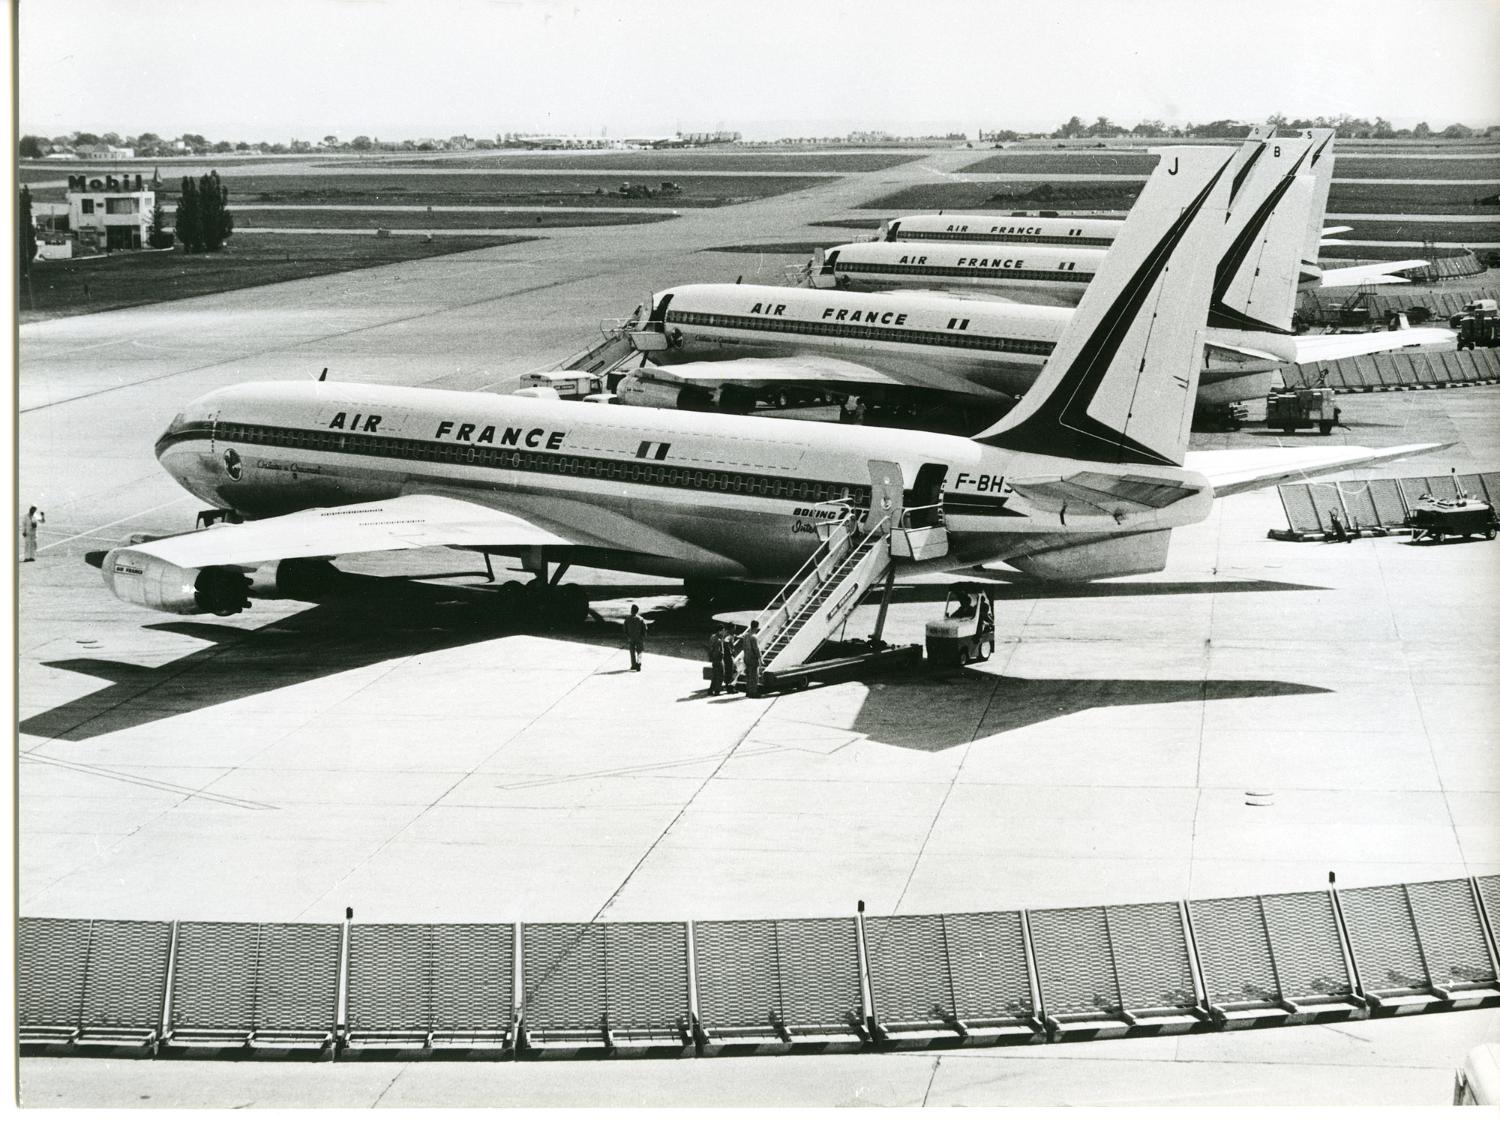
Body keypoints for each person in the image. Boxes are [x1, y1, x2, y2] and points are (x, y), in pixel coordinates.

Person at [622, 604, 648, 671]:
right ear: (637, 611)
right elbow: (645, 628)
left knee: (632, 652)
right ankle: (638, 663)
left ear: (631, 610)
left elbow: (625, 629)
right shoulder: (640, 619)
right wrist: (643, 636)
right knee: (640, 651)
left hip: (631, 638)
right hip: (639, 638)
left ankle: (633, 665)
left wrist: (628, 636)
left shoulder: (627, 619)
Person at [740, 620, 762, 697]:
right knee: (754, 676)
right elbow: (756, 649)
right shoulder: (754, 637)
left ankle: (748, 691)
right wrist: (760, 658)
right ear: (757, 627)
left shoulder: (746, 636)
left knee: (748, 675)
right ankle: (753, 692)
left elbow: (743, 647)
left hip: (746, 657)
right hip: (753, 658)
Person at [718, 624, 738, 693]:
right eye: (734, 628)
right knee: (734, 670)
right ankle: (730, 687)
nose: (735, 629)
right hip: (729, 656)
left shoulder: (728, 634)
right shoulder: (729, 636)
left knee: (729, 670)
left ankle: (728, 686)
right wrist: (731, 651)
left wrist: (738, 636)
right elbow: (726, 641)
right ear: (731, 629)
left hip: (726, 656)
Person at [707, 626, 727, 695]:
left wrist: (711, 657)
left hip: (713, 659)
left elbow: (710, 648)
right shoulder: (719, 640)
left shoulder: (712, 637)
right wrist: (722, 654)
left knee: (715, 675)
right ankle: (717, 690)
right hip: (718, 659)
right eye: (723, 630)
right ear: (720, 631)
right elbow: (719, 651)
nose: (724, 632)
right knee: (721, 674)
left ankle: (711, 690)